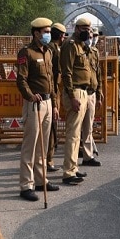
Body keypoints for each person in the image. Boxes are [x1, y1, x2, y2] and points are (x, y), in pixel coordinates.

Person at [16, 17, 61, 200]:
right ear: (36, 33)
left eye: (49, 31)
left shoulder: (48, 51)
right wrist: (29, 95)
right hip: (34, 103)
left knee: (43, 145)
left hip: (48, 102)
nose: (48, 35)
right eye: (45, 32)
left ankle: (41, 179)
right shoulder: (26, 52)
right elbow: (21, 79)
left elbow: (51, 80)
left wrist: (55, 104)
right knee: (31, 145)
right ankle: (26, 185)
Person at [59, 17, 94, 185]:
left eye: (90, 28)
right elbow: (66, 72)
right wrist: (72, 96)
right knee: (72, 134)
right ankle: (68, 172)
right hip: (75, 93)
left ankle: (73, 168)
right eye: (85, 28)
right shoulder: (70, 45)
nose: (88, 31)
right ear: (77, 29)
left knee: (77, 134)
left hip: (84, 92)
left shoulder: (81, 46)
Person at [80, 28, 103, 167]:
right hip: (79, 93)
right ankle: (73, 160)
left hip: (91, 93)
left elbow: (97, 74)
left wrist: (99, 92)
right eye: (90, 36)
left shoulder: (94, 52)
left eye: (93, 36)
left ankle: (87, 156)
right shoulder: (76, 50)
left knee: (88, 127)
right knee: (75, 130)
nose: (92, 38)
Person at [46, 22, 66, 172]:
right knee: (51, 126)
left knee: (51, 126)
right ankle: (49, 159)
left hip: (54, 89)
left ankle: (47, 158)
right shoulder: (53, 49)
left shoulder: (53, 48)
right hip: (52, 90)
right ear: (60, 36)